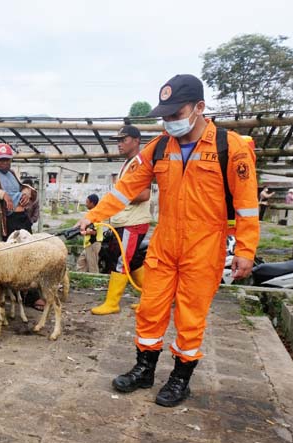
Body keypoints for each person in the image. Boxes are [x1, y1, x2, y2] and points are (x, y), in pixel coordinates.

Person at [75, 74, 260, 407]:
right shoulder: (159, 146)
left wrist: (245, 250)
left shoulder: (230, 147)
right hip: (166, 241)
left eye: (177, 114)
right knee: (150, 308)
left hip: (205, 245)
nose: (170, 121)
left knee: (190, 316)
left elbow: (247, 204)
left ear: (199, 108)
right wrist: (93, 216)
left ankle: (180, 379)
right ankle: (144, 369)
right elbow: (126, 188)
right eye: (166, 116)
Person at [91, 125, 152, 315]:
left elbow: (143, 194)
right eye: (118, 140)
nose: (119, 144)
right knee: (133, 263)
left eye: (123, 140)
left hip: (132, 222)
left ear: (136, 141)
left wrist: (117, 197)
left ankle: (112, 303)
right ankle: (149, 300)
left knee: (120, 260)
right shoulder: (127, 164)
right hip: (124, 221)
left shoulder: (140, 163)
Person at [76, 194, 102, 273]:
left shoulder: (96, 214)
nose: (86, 204)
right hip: (88, 244)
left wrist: (84, 232)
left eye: (87, 202)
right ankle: (80, 279)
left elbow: (94, 232)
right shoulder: (90, 214)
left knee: (92, 267)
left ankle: (96, 283)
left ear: (92, 203)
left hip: (93, 244)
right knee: (81, 263)